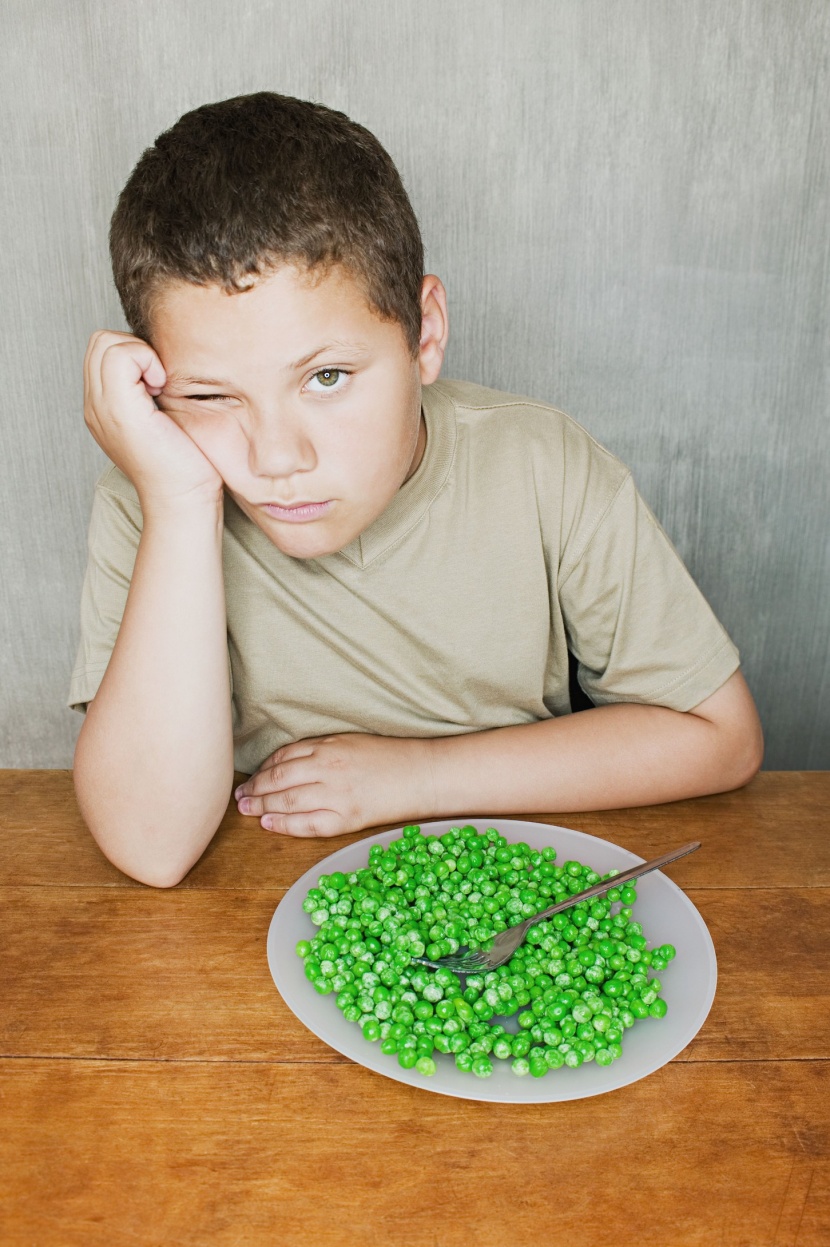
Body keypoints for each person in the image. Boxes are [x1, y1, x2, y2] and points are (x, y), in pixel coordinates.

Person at [70, 92, 763, 888]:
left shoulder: (544, 463)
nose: (278, 457)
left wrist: (415, 778)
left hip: (512, 889)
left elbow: (722, 737)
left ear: (424, 333)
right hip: (262, 909)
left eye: (326, 377)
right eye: (210, 396)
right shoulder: (156, 494)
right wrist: (179, 504)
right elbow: (151, 846)